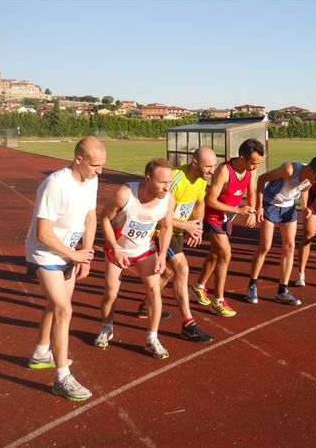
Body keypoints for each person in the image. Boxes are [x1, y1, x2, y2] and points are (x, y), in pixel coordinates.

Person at [25, 137, 106, 401]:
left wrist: (86, 256)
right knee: (63, 308)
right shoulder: (55, 185)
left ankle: (40, 352)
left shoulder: (91, 180)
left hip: (70, 252)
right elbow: (44, 234)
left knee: (56, 304)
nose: (100, 171)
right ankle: (62, 377)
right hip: (45, 252)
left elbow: (90, 216)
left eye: (102, 165)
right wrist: (74, 254)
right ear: (78, 159)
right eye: (95, 165)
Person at [94, 158, 175, 358]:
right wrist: (115, 249)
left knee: (154, 290)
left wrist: (163, 255)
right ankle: (106, 326)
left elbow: (166, 226)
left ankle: (152, 338)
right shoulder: (125, 194)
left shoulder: (168, 200)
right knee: (111, 292)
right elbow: (104, 218)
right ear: (148, 179)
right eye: (163, 182)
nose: (167, 187)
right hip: (118, 248)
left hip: (145, 249)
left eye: (169, 182)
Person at [137, 147, 216, 342]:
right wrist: (186, 225)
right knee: (182, 268)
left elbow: (200, 203)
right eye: (208, 166)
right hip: (160, 230)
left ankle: (146, 305)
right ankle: (189, 324)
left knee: (169, 272)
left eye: (214, 166)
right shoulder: (175, 179)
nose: (211, 171)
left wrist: (197, 225)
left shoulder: (200, 180)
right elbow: (156, 214)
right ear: (195, 163)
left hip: (178, 229)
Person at [190, 139, 264, 317]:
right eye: (253, 163)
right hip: (213, 216)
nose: (255, 167)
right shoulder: (224, 171)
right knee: (225, 254)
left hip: (226, 219)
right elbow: (211, 200)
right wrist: (239, 210)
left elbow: (251, 191)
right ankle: (218, 300)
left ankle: (198, 286)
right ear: (241, 158)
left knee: (215, 256)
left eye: (258, 164)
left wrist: (252, 212)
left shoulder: (250, 170)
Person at [246, 155, 316, 306]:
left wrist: (304, 206)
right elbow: (261, 179)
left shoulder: (311, 178)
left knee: (290, 246)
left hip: (288, 208)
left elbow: (304, 190)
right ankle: (252, 284)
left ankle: (282, 291)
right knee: (265, 246)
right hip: (270, 204)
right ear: (311, 169)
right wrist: (259, 207)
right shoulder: (289, 169)